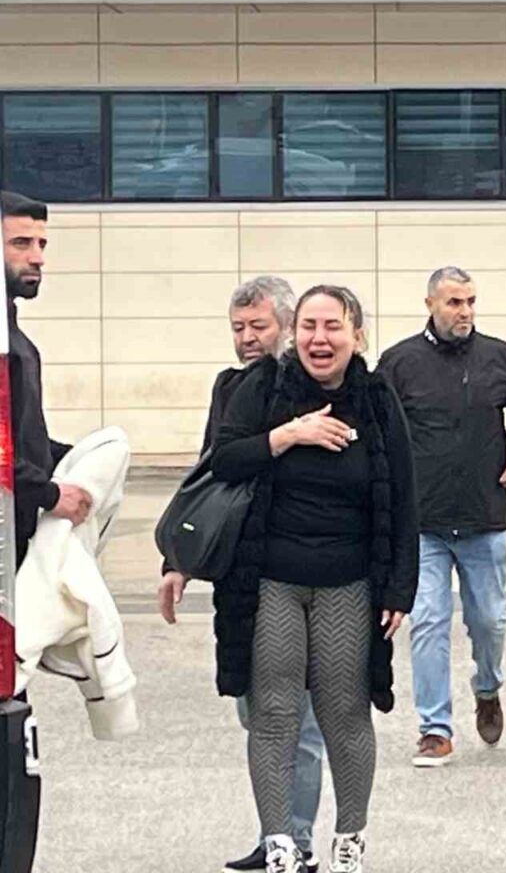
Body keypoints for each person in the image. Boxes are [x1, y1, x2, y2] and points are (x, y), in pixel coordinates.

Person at [210, 286, 419, 873]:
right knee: (274, 713)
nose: (319, 339)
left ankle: (349, 840)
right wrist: (288, 435)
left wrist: (400, 586)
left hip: (348, 581)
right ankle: (281, 844)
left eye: (333, 326)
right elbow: (222, 459)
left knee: (344, 713)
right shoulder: (263, 386)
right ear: (293, 332)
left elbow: (406, 496)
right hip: (271, 578)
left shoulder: (376, 398)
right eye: (308, 326)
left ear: (357, 335)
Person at [155, 276, 327, 873]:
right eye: (238, 328)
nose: (248, 338)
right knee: (257, 713)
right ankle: (276, 836)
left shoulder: (316, 388)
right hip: (241, 577)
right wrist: (179, 559)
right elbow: (211, 475)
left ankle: (296, 843)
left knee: (299, 719)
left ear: (287, 326)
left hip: (304, 573)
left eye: (259, 326)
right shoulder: (229, 388)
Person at [379, 266, 506, 767]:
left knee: (488, 621)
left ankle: (488, 687)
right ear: (430, 305)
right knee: (428, 622)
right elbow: (376, 429)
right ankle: (435, 729)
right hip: (422, 524)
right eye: (455, 302)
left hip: (483, 517)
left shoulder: (498, 357)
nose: (465, 312)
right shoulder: (399, 363)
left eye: (471, 302)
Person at [4, 190, 90, 567]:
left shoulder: (18, 342)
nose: (37, 257)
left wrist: (75, 458)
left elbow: (19, 438)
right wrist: (49, 494)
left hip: (16, 544)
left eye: (41, 244)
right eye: (21, 243)